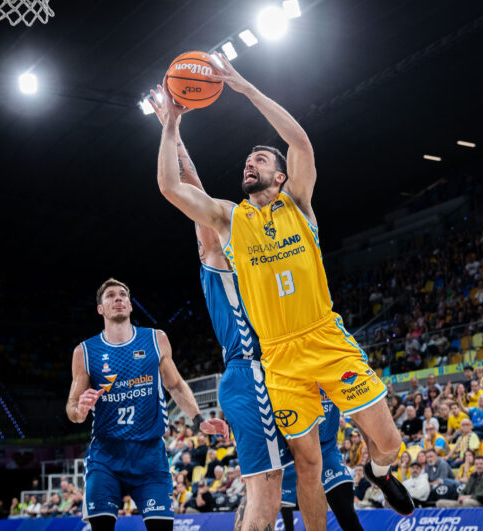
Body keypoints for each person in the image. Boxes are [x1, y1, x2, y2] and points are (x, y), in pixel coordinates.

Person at [153, 53, 414, 527]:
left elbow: (301, 141)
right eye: (248, 159)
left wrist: (245, 88)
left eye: (260, 159)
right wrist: (170, 126)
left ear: (280, 175)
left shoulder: (299, 205)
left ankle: (379, 473)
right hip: (278, 360)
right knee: (309, 467)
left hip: (325, 339)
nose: (250, 163)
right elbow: (171, 187)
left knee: (390, 441)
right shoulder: (231, 219)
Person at [147, 93, 298, 529]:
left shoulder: (257, 251)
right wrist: (171, 128)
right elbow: (189, 184)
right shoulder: (216, 252)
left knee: (268, 483)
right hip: (250, 370)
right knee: (267, 481)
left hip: (277, 368)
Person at [65, 278, 228, 531]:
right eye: (110, 296)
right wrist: (80, 409)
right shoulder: (85, 352)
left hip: (150, 455)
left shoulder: (155, 339)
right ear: (101, 309)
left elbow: (175, 385)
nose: (117, 298)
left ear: (130, 305)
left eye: (122, 295)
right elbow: (72, 409)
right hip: (106, 456)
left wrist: (199, 420)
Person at [280, 393, 363, 531]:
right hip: (298, 452)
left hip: (327, 449)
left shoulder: (333, 373)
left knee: (347, 515)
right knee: (277, 508)